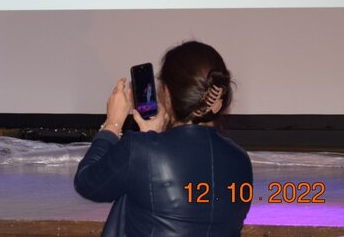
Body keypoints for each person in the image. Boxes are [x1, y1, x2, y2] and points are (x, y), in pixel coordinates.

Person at [75, 41, 253, 236]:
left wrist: (113, 123)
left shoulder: (141, 150)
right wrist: (153, 138)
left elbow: (87, 183)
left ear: (167, 93)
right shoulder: (241, 160)